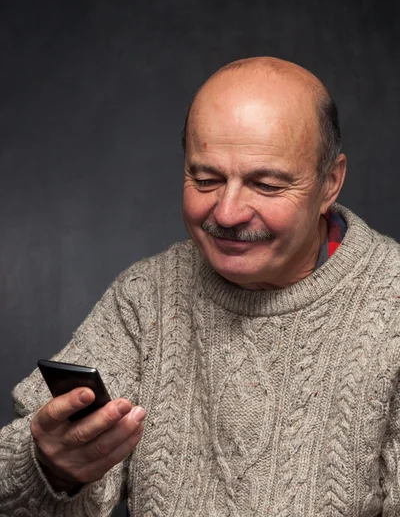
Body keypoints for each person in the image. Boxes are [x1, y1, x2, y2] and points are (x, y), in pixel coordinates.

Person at [0, 57, 399, 517]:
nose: (227, 213)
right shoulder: (145, 296)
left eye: (265, 184)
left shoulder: (391, 303)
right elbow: (16, 487)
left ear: (329, 183)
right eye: (205, 179)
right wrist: (51, 468)